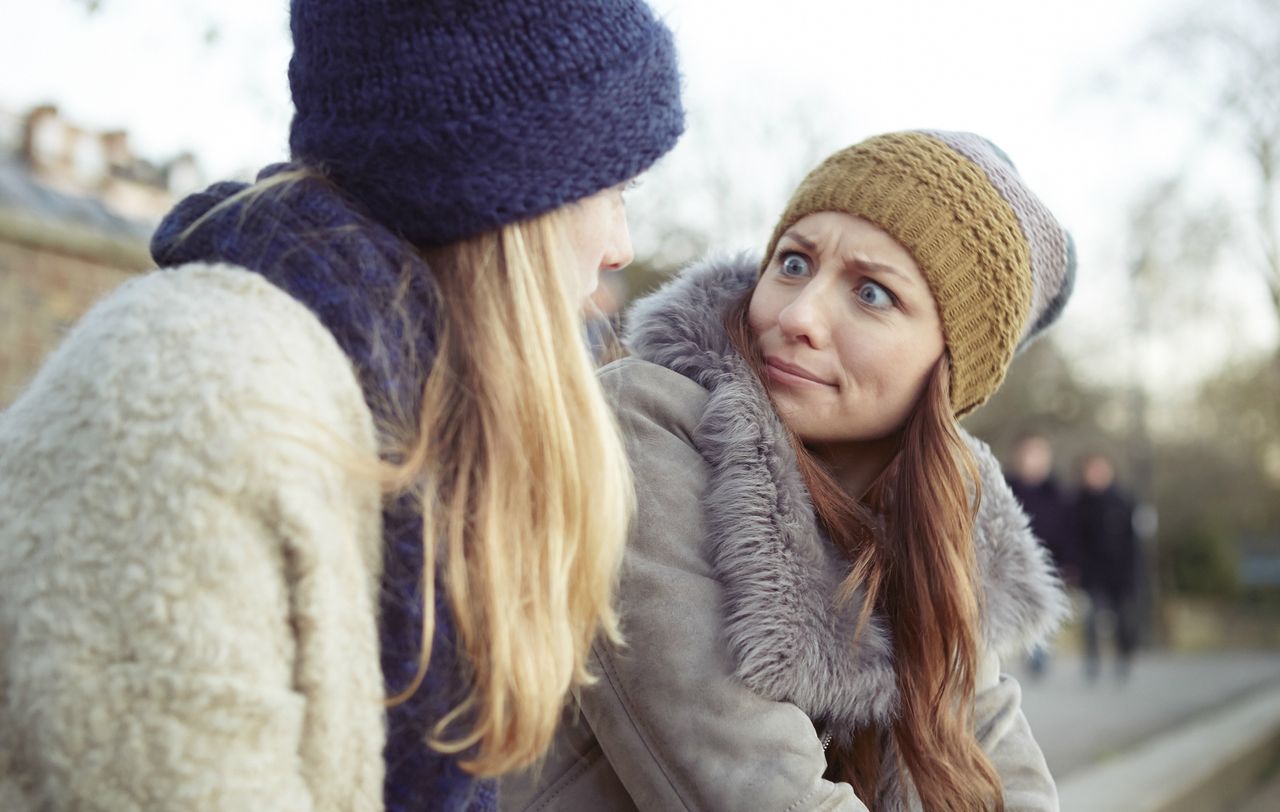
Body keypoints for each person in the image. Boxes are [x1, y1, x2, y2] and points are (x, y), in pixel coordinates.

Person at [0, 1, 683, 809]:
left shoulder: (404, 412)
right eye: (614, 189)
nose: (621, 248)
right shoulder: (197, 393)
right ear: (513, 189)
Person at [503, 131, 1076, 811]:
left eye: (871, 293)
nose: (799, 316)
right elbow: (751, 785)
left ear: (951, 370)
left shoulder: (941, 522)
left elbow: (1001, 766)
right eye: (794, 264)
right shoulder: (639, 427)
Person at [1007, 431, 1077, 677]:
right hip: (1012, 559)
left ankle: (1038, 652)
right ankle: (1024, 650)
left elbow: (1070, 530)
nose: (1032, 460)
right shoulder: (1005, 486)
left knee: (1041, 607)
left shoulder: (1059, 492)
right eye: (1027, 453)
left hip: (1049, 561)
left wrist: (1069, 562)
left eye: (1038, 454)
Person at [1074, 453, 1141, 684]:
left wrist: (1132, 574)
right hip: (1092, 575)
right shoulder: (1079, 503)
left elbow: (1133, 543)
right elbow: (1075, 540)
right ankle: (1093, 660)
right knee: (1091, 620)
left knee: (1123, 620)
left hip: (1119, 574)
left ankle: (1124, 657)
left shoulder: (1123, 502)